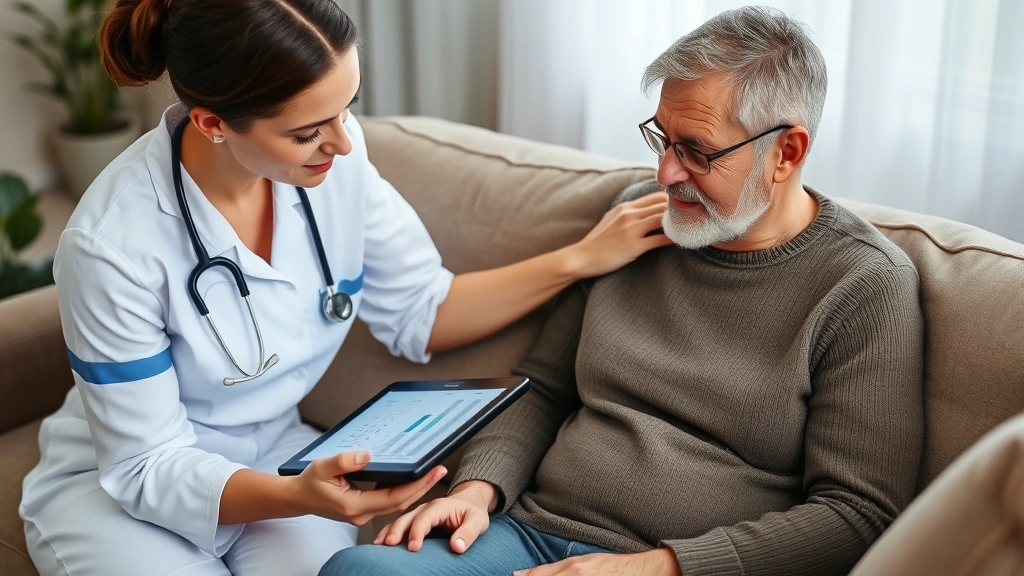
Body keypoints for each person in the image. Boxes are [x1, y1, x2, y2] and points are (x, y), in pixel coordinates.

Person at [17, 1, 671, 575]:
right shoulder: (113, 244)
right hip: (124, 489)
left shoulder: (337, 162)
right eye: (307, 132)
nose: (342, 143)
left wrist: (581, 258)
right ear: (214, 123)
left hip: (279, 451)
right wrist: (303, 497)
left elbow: (423, 310)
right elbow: (145, 464)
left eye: (346, 108)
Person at [321, 6, 925, 576]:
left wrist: (656, 567)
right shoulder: (638, 218)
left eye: (697, 150)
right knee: (357, 567)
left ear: (786, 152)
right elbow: (545, 387)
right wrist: (479, 488)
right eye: (662, 138)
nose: (665, 173)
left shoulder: (865, 286)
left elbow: (859, 513)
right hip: (529, 533)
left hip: (681, 566)